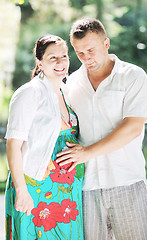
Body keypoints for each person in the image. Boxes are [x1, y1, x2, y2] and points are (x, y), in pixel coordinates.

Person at [56, 18, 147, 240]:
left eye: (91, 50)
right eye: (79, 52)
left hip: (127, 182)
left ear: (106, 43)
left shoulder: (133, 76)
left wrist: (87, 152)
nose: (86, 58)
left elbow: (133, 127)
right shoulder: (71, 84)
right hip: (86, 189)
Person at [5, 34, 84, 240]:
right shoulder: (29, 93)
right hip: (35, 184)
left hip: (67, 188)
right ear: (39, 62)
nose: (61, 62)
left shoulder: (67, 91)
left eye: (64, 56)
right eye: (52, 58)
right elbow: (13, 144)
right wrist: (21, 191)